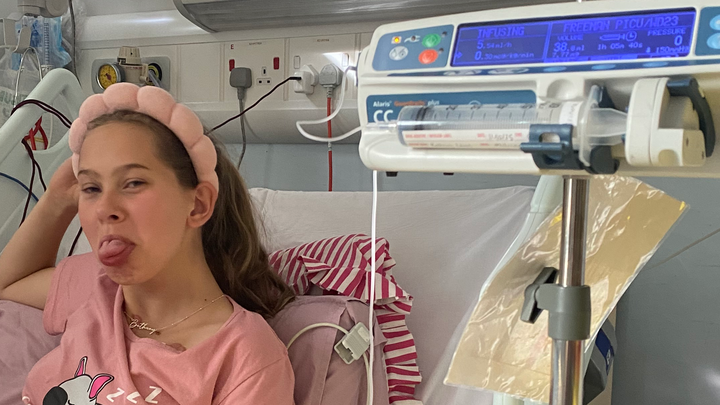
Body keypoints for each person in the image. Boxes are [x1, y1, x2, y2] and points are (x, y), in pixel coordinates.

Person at [0, 83, 296, 404]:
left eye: (133, 183)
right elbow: (8, 283)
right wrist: (57, 199)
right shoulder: (95, 286)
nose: (104, 210)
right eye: (92, 189)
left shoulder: (243, 359)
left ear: (197, 205)